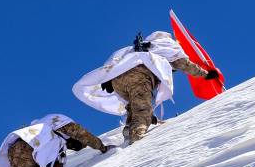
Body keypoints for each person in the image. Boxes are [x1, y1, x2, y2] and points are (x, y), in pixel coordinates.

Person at [72, 31, 217, 144]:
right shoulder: (165, 45)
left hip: (116, 81)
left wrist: (107, 78)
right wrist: (206, 74)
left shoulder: (137, 48)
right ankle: (137, 141)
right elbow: (183, 64)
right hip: (139, 77)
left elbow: (115, 59)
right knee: (143, 111)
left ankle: (129, 129)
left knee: (134, 106)